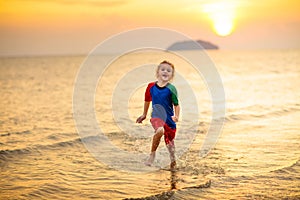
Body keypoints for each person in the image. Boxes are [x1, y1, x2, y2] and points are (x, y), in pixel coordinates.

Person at [136, 60, 180, 168]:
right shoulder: (151, 86)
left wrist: (177, 116)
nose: (165, 72)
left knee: (170, 147)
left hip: (169, 120)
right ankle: (152, 155)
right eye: (163, 69)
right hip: (156, 117)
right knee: (160, 130)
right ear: (158, 72)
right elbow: (147, 100)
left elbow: (176, 104)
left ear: (171, 75)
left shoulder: (171, 89)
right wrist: (144, 114)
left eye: (169, 71)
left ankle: (173, 162)